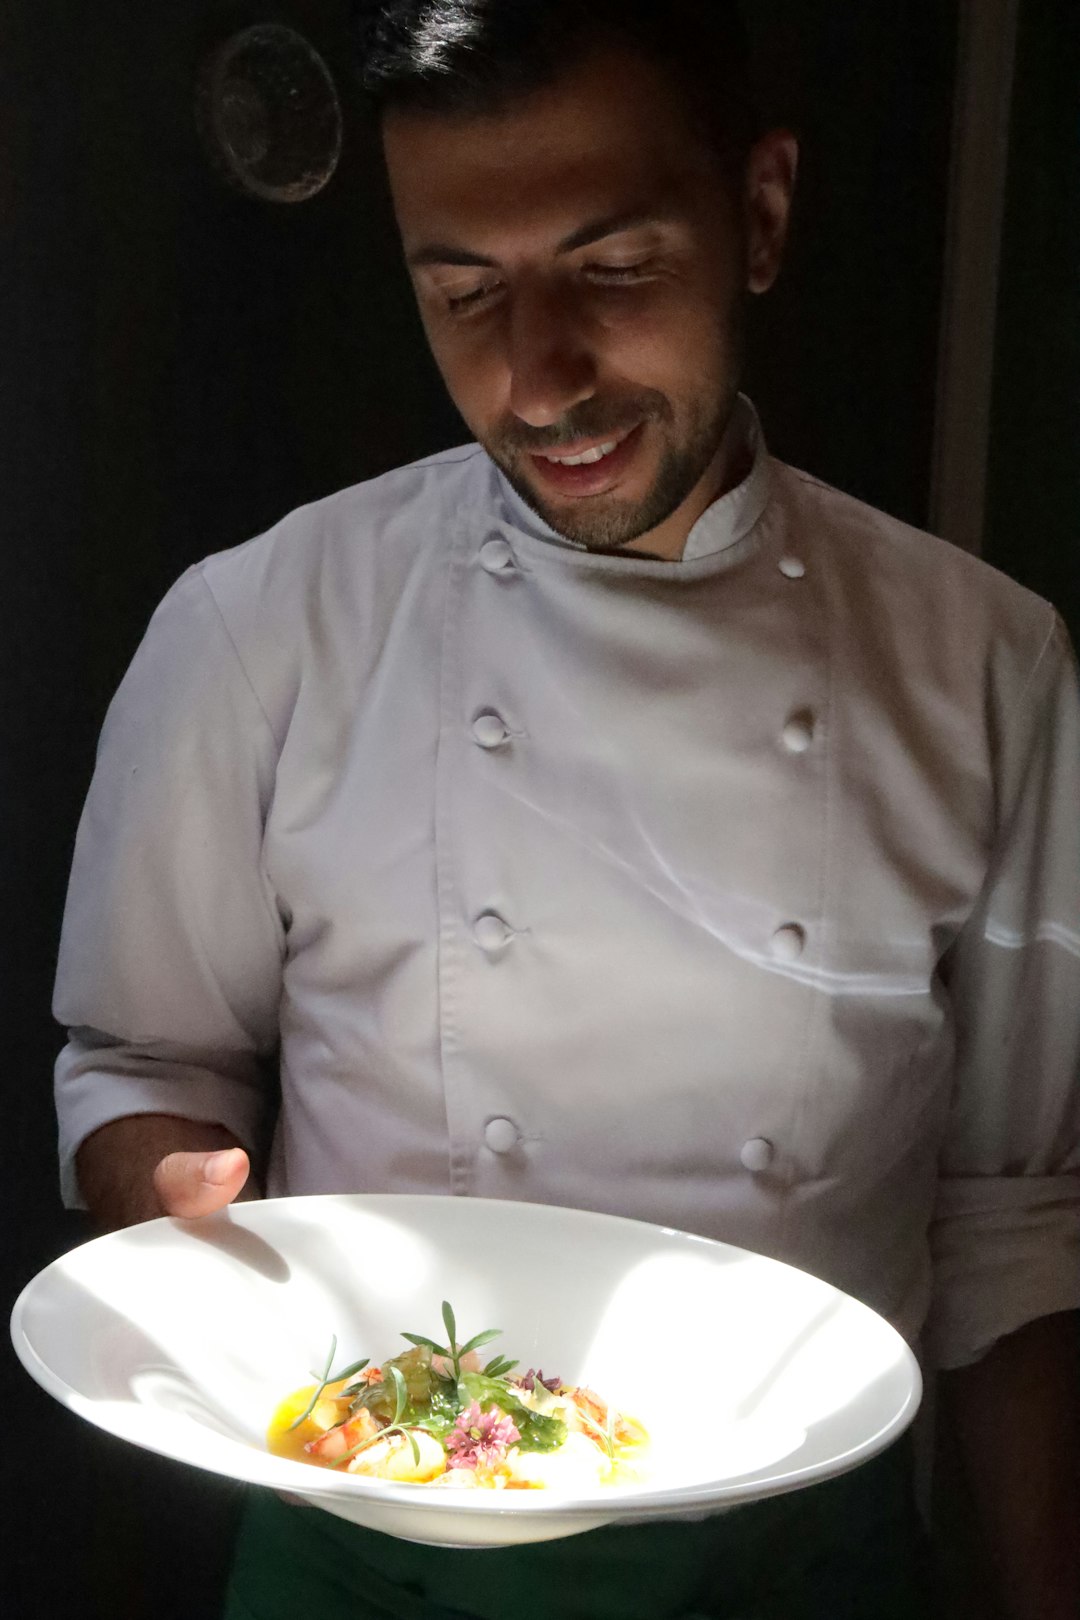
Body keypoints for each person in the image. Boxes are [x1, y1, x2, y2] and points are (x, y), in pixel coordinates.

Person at [55, 2, 1080, 1616]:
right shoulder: (258, 631)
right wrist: (164, 1181)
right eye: (463, 291)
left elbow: (1018, 1226)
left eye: (610, 270)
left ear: (758, 216)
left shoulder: (989, 664)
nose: (539, 379)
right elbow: (135, 1067)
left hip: (803, 1569)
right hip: (365, 1544)